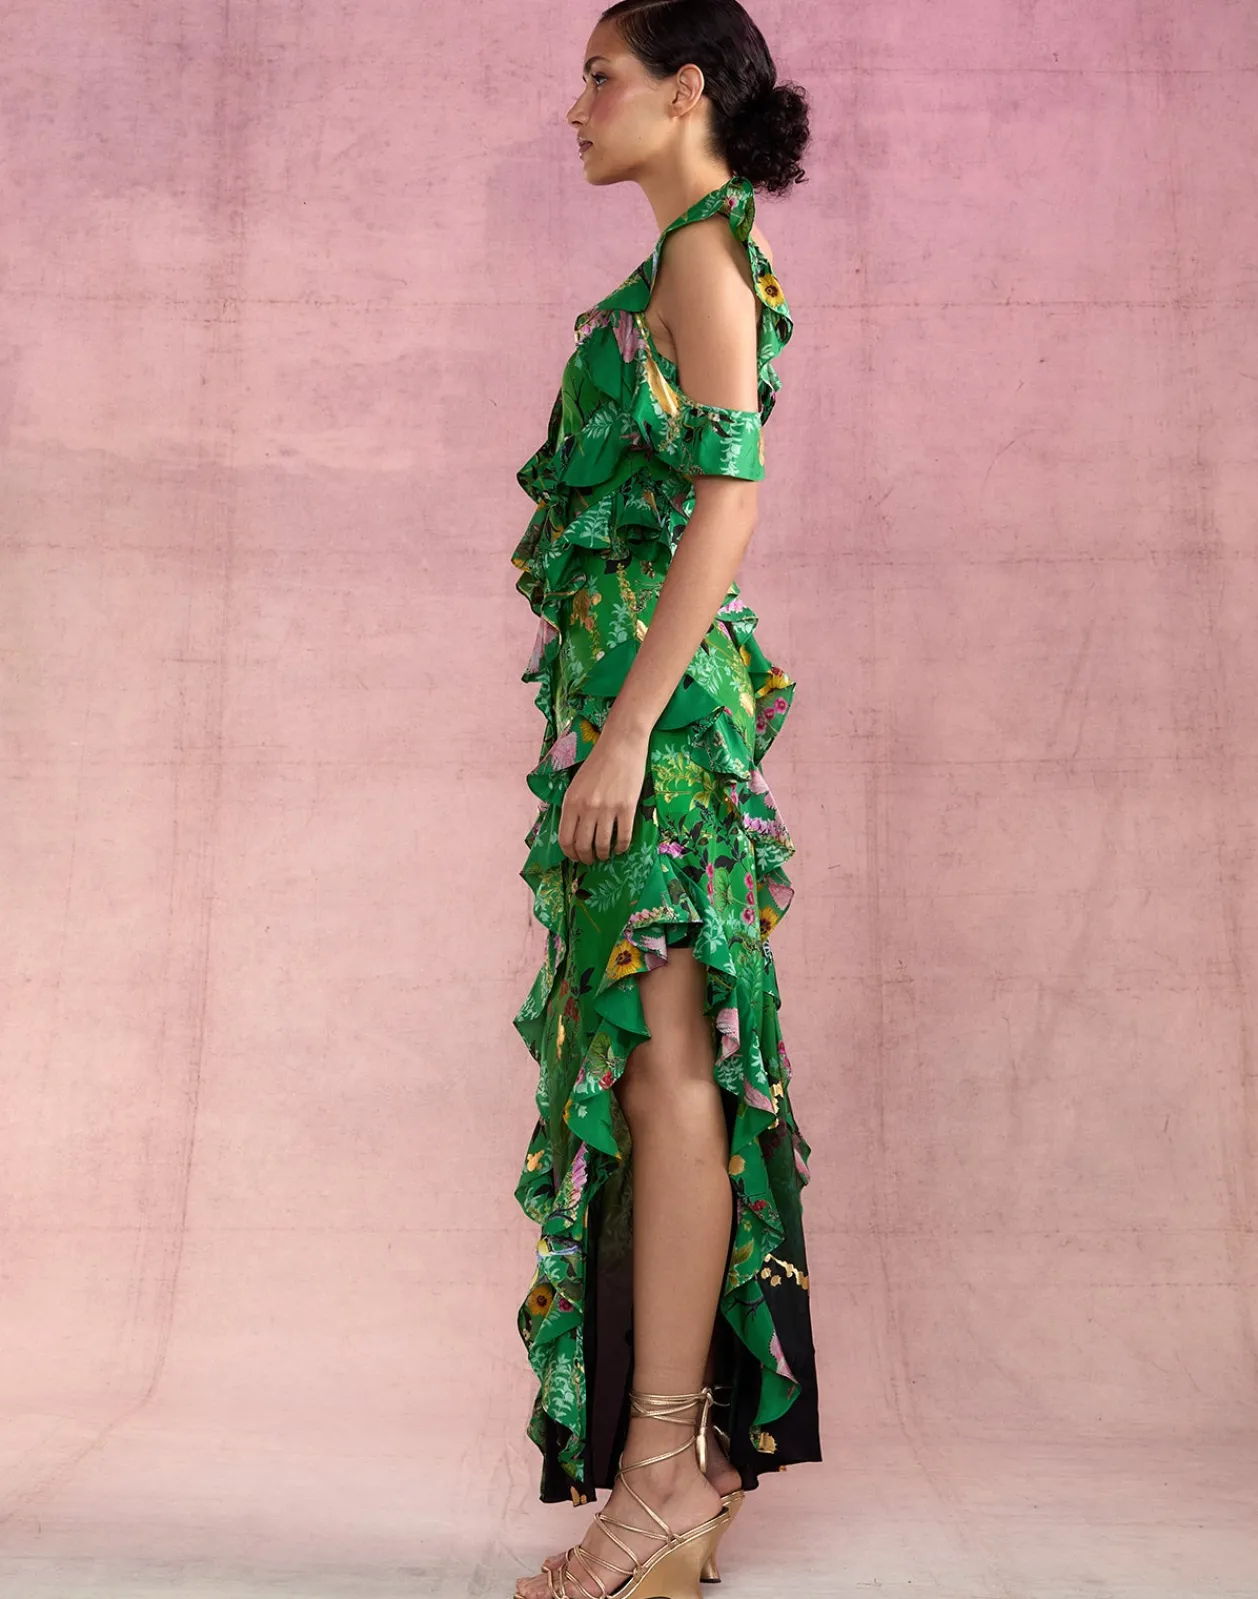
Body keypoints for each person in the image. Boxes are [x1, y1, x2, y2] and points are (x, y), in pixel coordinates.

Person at [509, 3, 820, 1594]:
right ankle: (667, 1471)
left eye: (600, 76)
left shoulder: (704, 252)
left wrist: (630, 729)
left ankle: (658, 1480)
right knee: (649, 1073)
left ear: (685, 88)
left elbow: (728, 501)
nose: (575, 107)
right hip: (640, 716)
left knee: (671, 1068)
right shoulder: (689, 253)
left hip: (670, 730)